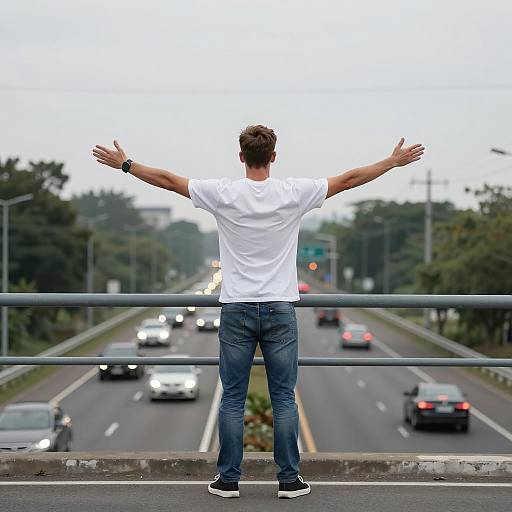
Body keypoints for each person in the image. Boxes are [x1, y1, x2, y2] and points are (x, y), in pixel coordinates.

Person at [92, 125, 424, 499]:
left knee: (232, 397)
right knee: (284, 397)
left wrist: (126, 164)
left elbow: (168, 181)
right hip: (280, 309)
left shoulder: (223, 193)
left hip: (236, 309)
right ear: (274, 157)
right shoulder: (294, 193)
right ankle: (289, 480)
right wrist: (392, 162)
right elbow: (349, 180)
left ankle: (228, 480)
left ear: (241, 157)